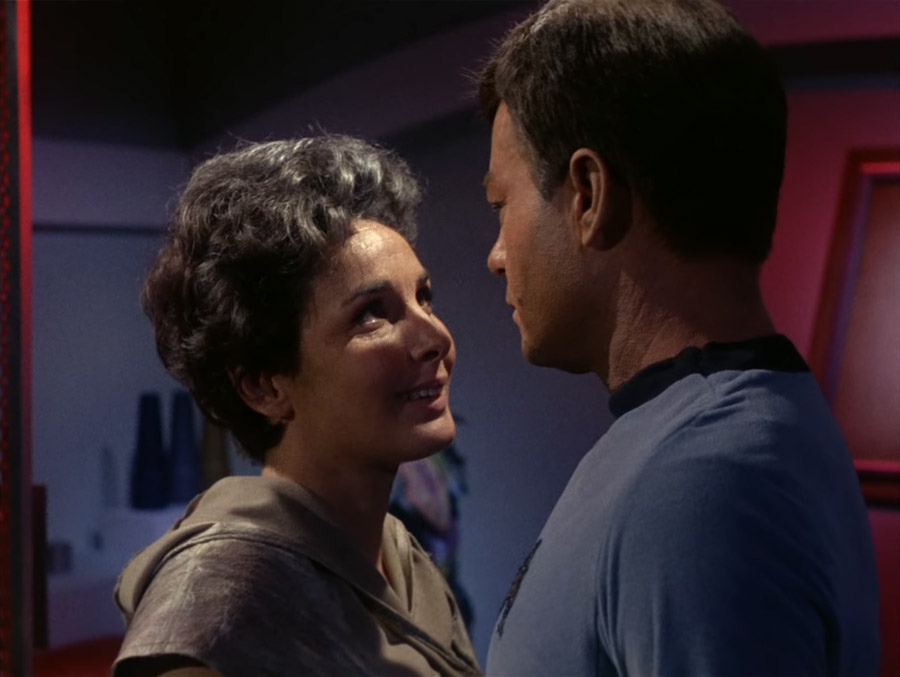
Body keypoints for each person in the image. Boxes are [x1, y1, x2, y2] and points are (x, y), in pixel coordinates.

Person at [478, 1, 880, 675]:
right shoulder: (697, 442)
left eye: (501, 204)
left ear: (587, 195)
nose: (495, 255)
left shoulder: (702, 483)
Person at [112, 136, 481, 677]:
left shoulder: (404, 559)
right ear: (263, 386)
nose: (435, 338)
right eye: (371, 314)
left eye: (424, 298)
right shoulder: (216, 608)